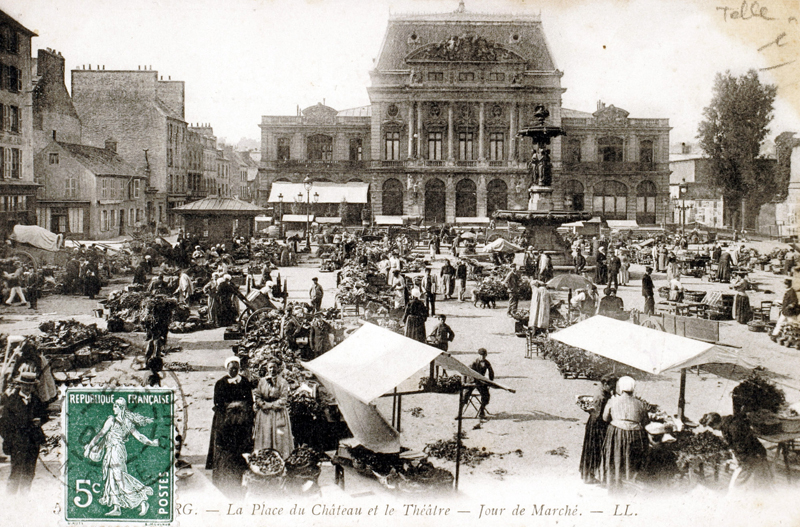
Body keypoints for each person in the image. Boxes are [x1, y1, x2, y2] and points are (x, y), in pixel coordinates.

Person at [83, 397, 159, 516]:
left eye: (115, 406)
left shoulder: (112, 420)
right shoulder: (127, 423)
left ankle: (141, 501)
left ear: (121, 408)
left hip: (116, 451)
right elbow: (139, 437)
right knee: (111, 477)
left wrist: (89, 447)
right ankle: (116, 507)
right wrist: (151, 442)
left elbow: (101, 434)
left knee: (119, 477)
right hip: (114, 451)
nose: (113, 408)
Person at [207, 357, 254, 498]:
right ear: (227, 368)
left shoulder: (244, 382)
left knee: (241, 442)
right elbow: (218, 402)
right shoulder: (221, 383)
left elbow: (249, 400)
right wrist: (233, 406)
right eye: (231, 368)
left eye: (236, 368)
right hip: (226, 418)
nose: (234, 371)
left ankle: (239, 467)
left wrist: (243, 409)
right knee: (225, 443)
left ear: (239, 369)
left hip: (241, 419)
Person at [0, 366, 49, 494]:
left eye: (30, 385)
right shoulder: (11, 402)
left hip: (33, 442)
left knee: (29, 472)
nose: (27, 388)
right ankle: (10, 500)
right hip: (18, 443)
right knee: (16, 473)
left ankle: (24, 499)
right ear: (20, 385)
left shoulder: (36, 400)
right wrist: (10, 441)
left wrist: (40, 421)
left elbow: (45, 415)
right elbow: (3, 425)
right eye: (25, 385)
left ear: (33, 386)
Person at [700, 410, 773, 491]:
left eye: (712, 427)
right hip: (749, 454)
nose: (713, 429)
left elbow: (741, 447)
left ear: (716, 423)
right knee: (755, 482)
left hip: (755, 455)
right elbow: (734, 444)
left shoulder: (733, 427)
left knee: (741, 483)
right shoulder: (726, 425)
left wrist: (738, 460)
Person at [601, 376, 649, 492]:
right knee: (631, 459)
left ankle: (615, 485)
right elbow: (646, 421)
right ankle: (630, 484)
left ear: (620, 388)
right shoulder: (640, 403)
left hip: (616, 433)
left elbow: (605, 418)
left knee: (615, 457)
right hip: (635, 434)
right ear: (633, 388)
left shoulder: (612, 401)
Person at [252, 360, 295, 460]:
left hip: (278, 413)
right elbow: (257, 396)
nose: (272, 370)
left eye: (274, 367)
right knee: (265, 435)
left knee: (278, 437)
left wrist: (272, 405)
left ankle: (280, 458)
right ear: (267, 368)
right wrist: (263, 405)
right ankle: (264, 459)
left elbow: (284, 399)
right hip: (265, 414)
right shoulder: (262, 381)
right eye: (270, 367)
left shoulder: (283, 382)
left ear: (278, 369)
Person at [579, 375, 617, 484]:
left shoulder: (603, 393)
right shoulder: (601, 397)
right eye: (612, 386)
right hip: (597, 426)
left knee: (590, 451)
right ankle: (590, 476)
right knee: (594, 451)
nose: (613, 389)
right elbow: (601, 416)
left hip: (594, 423)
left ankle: (587, 475)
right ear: (605, 384)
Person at [461, 348, 494, 420]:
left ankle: (481, 411)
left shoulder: (487, 363)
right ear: (478, 355)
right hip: (471, 381)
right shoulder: (473, 363)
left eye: (484, 356)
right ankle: (459, 413)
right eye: (481, 355)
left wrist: (491, 382)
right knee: (465, 395)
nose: (482, 357)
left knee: (486, 396)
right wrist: (464, 382)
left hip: (480, 382)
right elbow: (464, 372)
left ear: (486, 355)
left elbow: (491, 372)